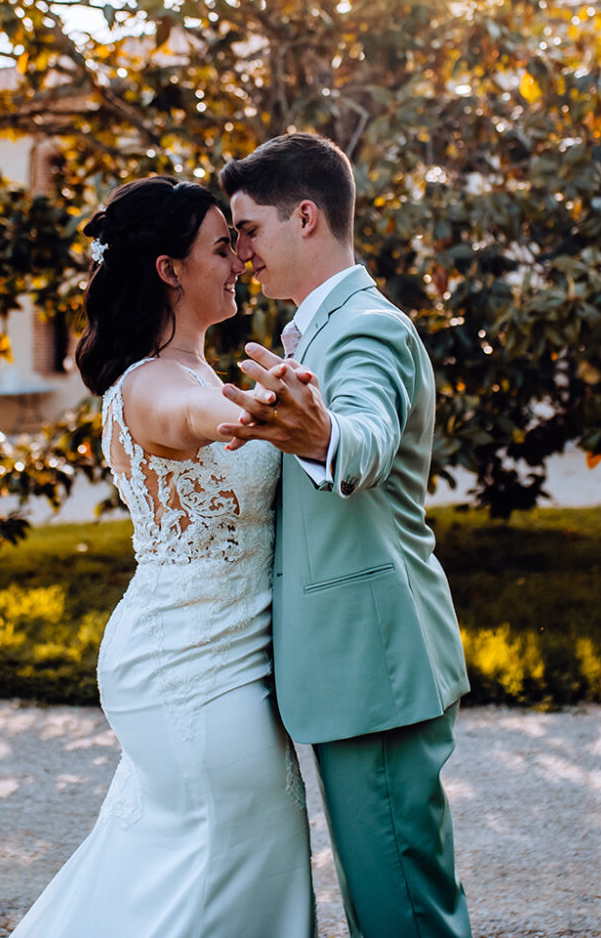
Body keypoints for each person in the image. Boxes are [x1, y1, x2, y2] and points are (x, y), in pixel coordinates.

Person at [9, 175, 315, 938]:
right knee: (233, 865)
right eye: (222, 247)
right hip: (191, 667)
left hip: (214, 653)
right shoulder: (155, 387)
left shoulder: (194, 373)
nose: (240, 261)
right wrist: (252, 412)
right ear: (168, 269)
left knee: (188, 865)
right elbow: (195, 415)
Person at [216, 132, 473, 938]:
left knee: (402, 913)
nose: (240, 252)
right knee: (386, 905)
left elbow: (365, 434)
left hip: (374, 668)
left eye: (248, 230)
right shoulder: (322, 329)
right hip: (359, 669)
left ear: (304, 217)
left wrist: (325, 437)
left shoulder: (365, 329)